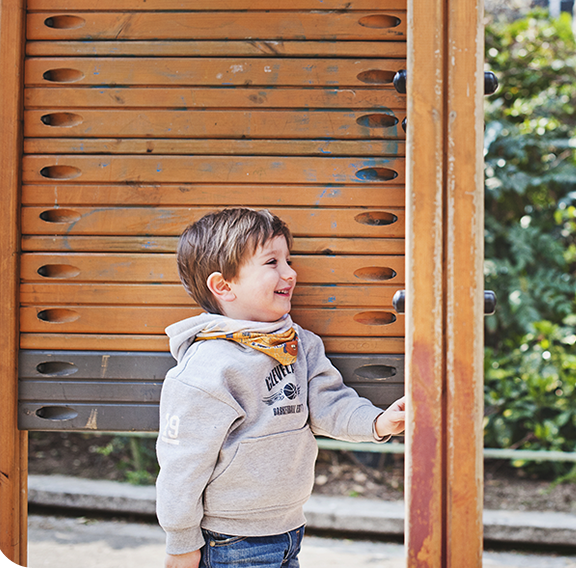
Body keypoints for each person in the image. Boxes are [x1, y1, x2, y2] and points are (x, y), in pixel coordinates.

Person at [156, 208, 406, 568]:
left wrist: (379, 422)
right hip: (231, 540)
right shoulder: (208, 368)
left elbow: (329, 404)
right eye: (272, 262)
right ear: (223, 285)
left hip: (289, 527)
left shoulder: (299, 344)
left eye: (288, 260)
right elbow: (182, 464)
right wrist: (181, 543)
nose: (290, 273)